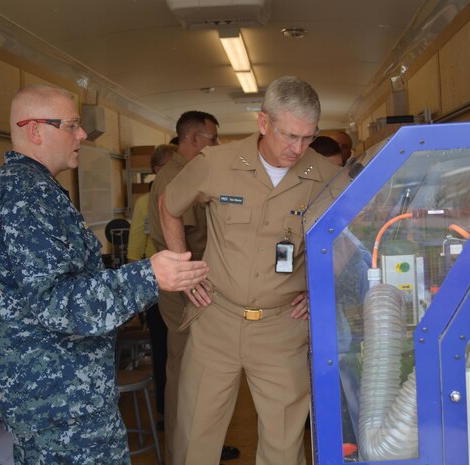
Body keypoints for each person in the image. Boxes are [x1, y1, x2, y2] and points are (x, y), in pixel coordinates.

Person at [0, 84, 208, 465]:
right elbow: (57, 301)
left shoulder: (34, 188)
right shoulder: (25, 193)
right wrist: (149, 275)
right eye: (72, 125)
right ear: (35, 130)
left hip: (64, 400)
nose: (82, 134)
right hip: (59, 406)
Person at [160, 76, 341, 465]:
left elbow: (348, 242)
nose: (298, 148)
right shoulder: (217, 163)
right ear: (263, 123)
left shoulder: (327, 178)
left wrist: (321, 290)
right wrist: (183, 269)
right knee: (196, 437)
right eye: (290, 135)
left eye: (308, 138)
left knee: (284, 445)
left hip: (282, 328)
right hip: (216, 321)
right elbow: (169, 204)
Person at [148, 111, 238, 463]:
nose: (216, 146)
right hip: (186, 284)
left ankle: (196, 447)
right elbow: (181, 240)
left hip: (192, 281)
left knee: (193, 373)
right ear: (194, 140)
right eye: (213, 139)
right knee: (185, 373)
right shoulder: (177, 177)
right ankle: (180, 453)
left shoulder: (183, 173)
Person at [126, 143, 176, 429]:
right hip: (155, 284)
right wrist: (137, 300)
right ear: (157, 170)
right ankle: (165, 412)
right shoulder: (145, 203)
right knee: (161, 348)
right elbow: (134, 250)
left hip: (182, 282)